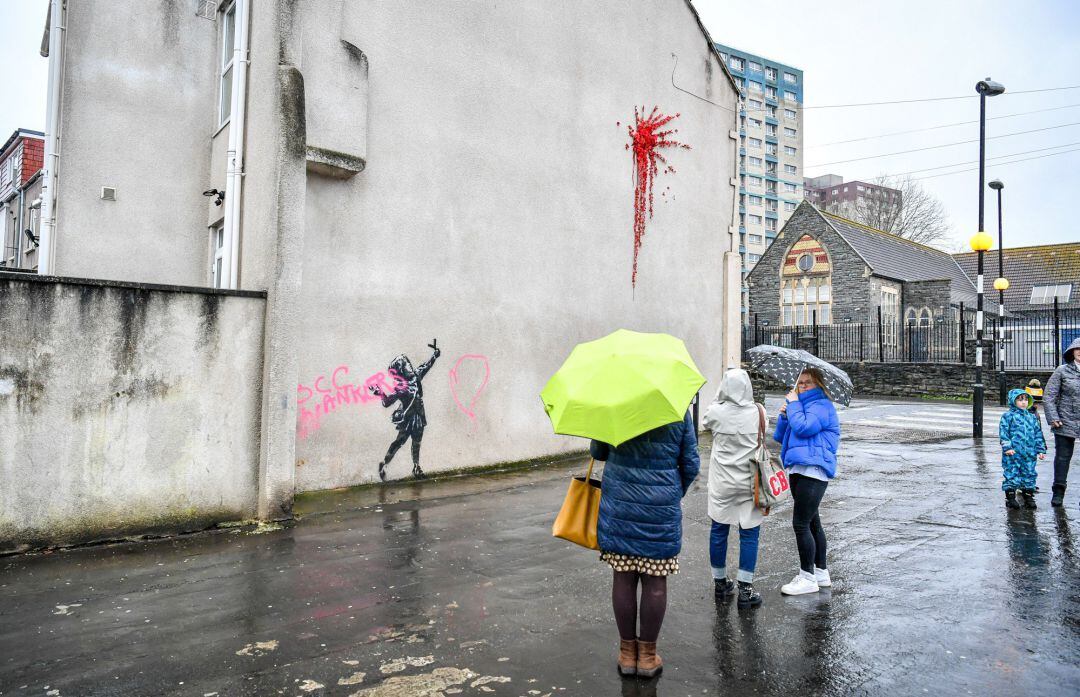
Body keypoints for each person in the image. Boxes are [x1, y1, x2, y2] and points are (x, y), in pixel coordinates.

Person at [591, 411, 699, 678]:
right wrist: (671, 492)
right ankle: (648, 657)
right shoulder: (676, 410)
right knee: (655, 580)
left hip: (619, 506)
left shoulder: (614, 402)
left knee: (623, 577)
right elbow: (691, 464)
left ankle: (628, 654)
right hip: (660, 509)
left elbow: (598, 451)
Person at [773, 368, 840, 596]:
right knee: (812, 523)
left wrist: (793, 406)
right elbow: (781, 437)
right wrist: (784, 414)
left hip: (813, 471)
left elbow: (804, 427)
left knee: (800, 524)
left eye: (808, 383)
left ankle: (807, 576)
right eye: (800, 383)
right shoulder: (799, 405)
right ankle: (821, 573)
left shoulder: (821, 405)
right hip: (799, 469)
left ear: (819, 385)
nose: (803, 386)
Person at [702, 369, 765, 609]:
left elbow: (707, 421)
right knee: (749, 533)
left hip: (722, 483)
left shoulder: (716, 413)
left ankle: (720, 582)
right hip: (750, 483)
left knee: (719, 530)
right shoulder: (758, 412)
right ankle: (746, 590)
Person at [370, 340, 441, 481]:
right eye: (406, 364)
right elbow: (387, 402)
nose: (410, 365)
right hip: (408, 419)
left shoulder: (416, 376)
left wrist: (435, 355)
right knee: (399, 442)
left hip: (418, 416)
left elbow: (426, 366)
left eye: (408, 363)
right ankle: (384, 464)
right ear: (401, 370)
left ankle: (416, 467)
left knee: (417, 443)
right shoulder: (401, 387)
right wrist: (379, 393)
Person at [1044, 338, 1080, 507]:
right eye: (1077, 349)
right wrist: (1053, 418)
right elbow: (1049, 396)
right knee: (1062, 458)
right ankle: (1058, 492)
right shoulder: (1062, 371)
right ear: (1071, 352)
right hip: (1065, 420)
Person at [999, 389, 1047, 509]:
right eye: (1020, 400)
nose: (1024, 402)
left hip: (1029, 453)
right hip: (1013, 453)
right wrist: (1007, 447)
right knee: (1012, 473)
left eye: (1026, 399)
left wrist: (1040, 449)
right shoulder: (1008, 416)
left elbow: (1038, 433)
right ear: (1013, 401)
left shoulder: (1031, 417)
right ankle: (1010, 497)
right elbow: (1003, 433)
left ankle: (1028, 496)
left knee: (1029, 473)